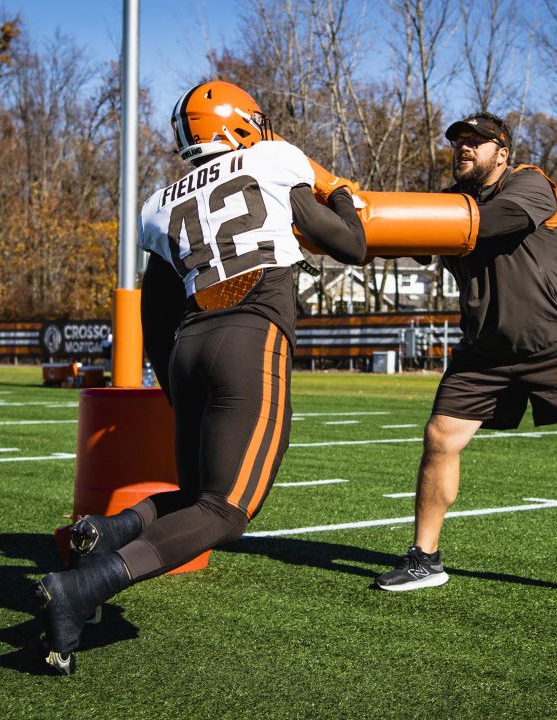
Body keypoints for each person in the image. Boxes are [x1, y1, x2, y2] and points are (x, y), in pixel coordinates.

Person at [35, 80, 368, 674]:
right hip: (251, 335)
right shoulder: (273, 158)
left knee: (194, 497)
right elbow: (349, 245)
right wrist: (341, 193)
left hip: (188, 343)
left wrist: (172, 377)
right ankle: (84, 589)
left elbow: (154, 309)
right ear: (240, 125)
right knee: (226, 510)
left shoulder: (158, 202)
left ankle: (105, 531)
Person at [374, 112, 557, 611]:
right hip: (485, 352)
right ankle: (425, 558)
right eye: (458, 141)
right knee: (440, 437)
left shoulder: (532, 184)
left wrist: (418, 221)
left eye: (476, 141)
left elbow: (494, 223)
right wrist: (338, 216)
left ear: (502, 152)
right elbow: (387, 239)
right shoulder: (448, 203)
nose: (464, 147)